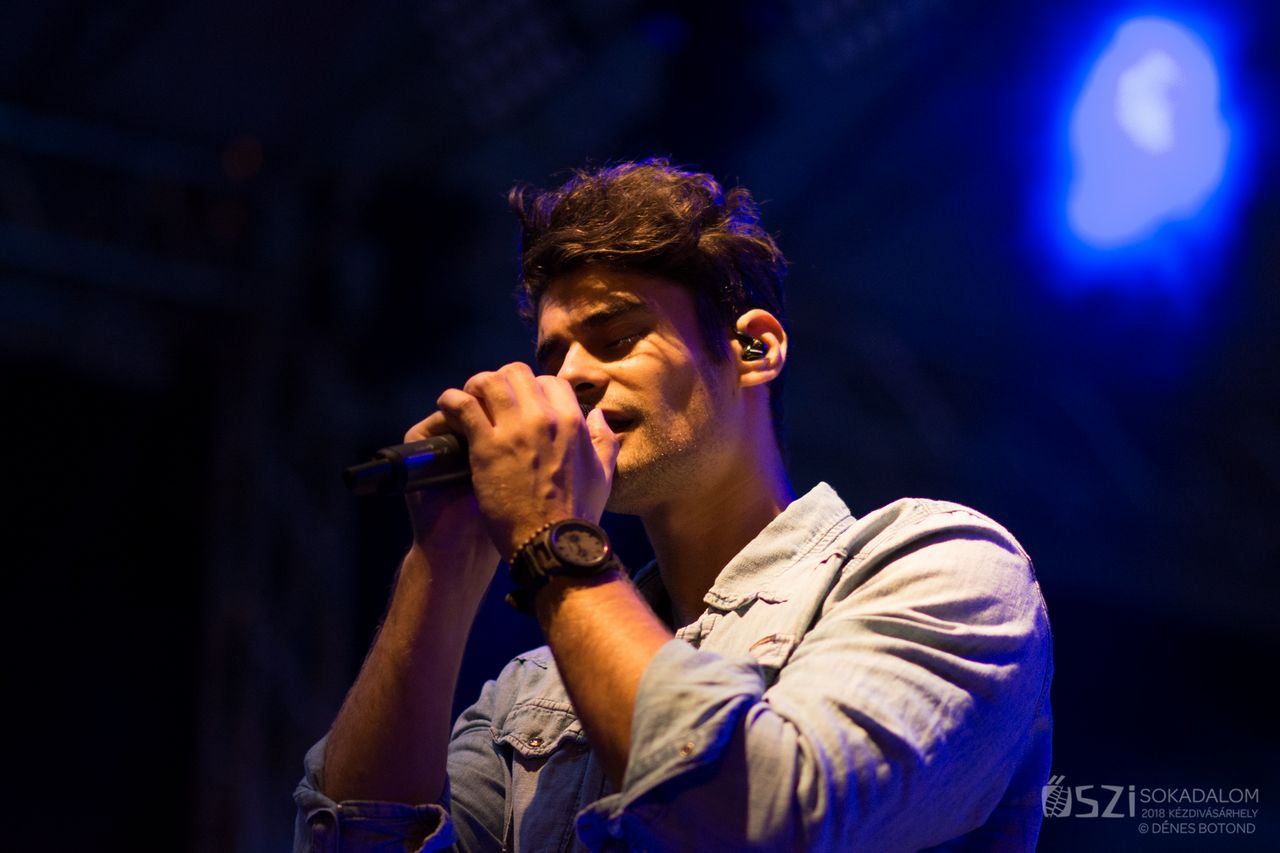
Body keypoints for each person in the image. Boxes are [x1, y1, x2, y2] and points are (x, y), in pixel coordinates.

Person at [293, 159, 1053, 851]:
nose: (569, 380)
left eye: (617, 338)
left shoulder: (942, 567)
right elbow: (358, 840)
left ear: (753, 349)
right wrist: (442, 561)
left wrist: (550, 536)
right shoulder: (531, 693)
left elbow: (769, 818)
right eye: (553, 357)